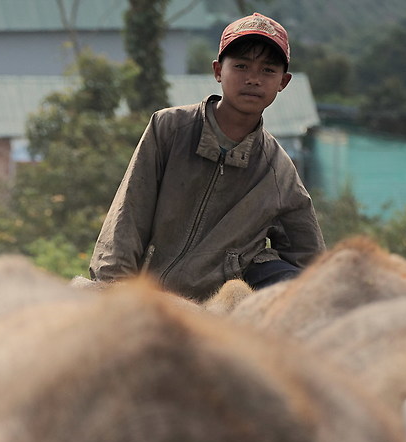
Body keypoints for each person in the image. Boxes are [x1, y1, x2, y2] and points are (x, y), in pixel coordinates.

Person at [89, 12, 324, 301]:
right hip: (144, 301)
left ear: (283, 82)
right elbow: (127, 219)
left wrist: (255, 266)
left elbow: (309, 262)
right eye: (240, 66)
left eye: (268, 70)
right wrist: (114, 294)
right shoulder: (170, 129)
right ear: (217, 71)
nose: (253, 79)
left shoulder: (277, 170)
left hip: (214, 315)